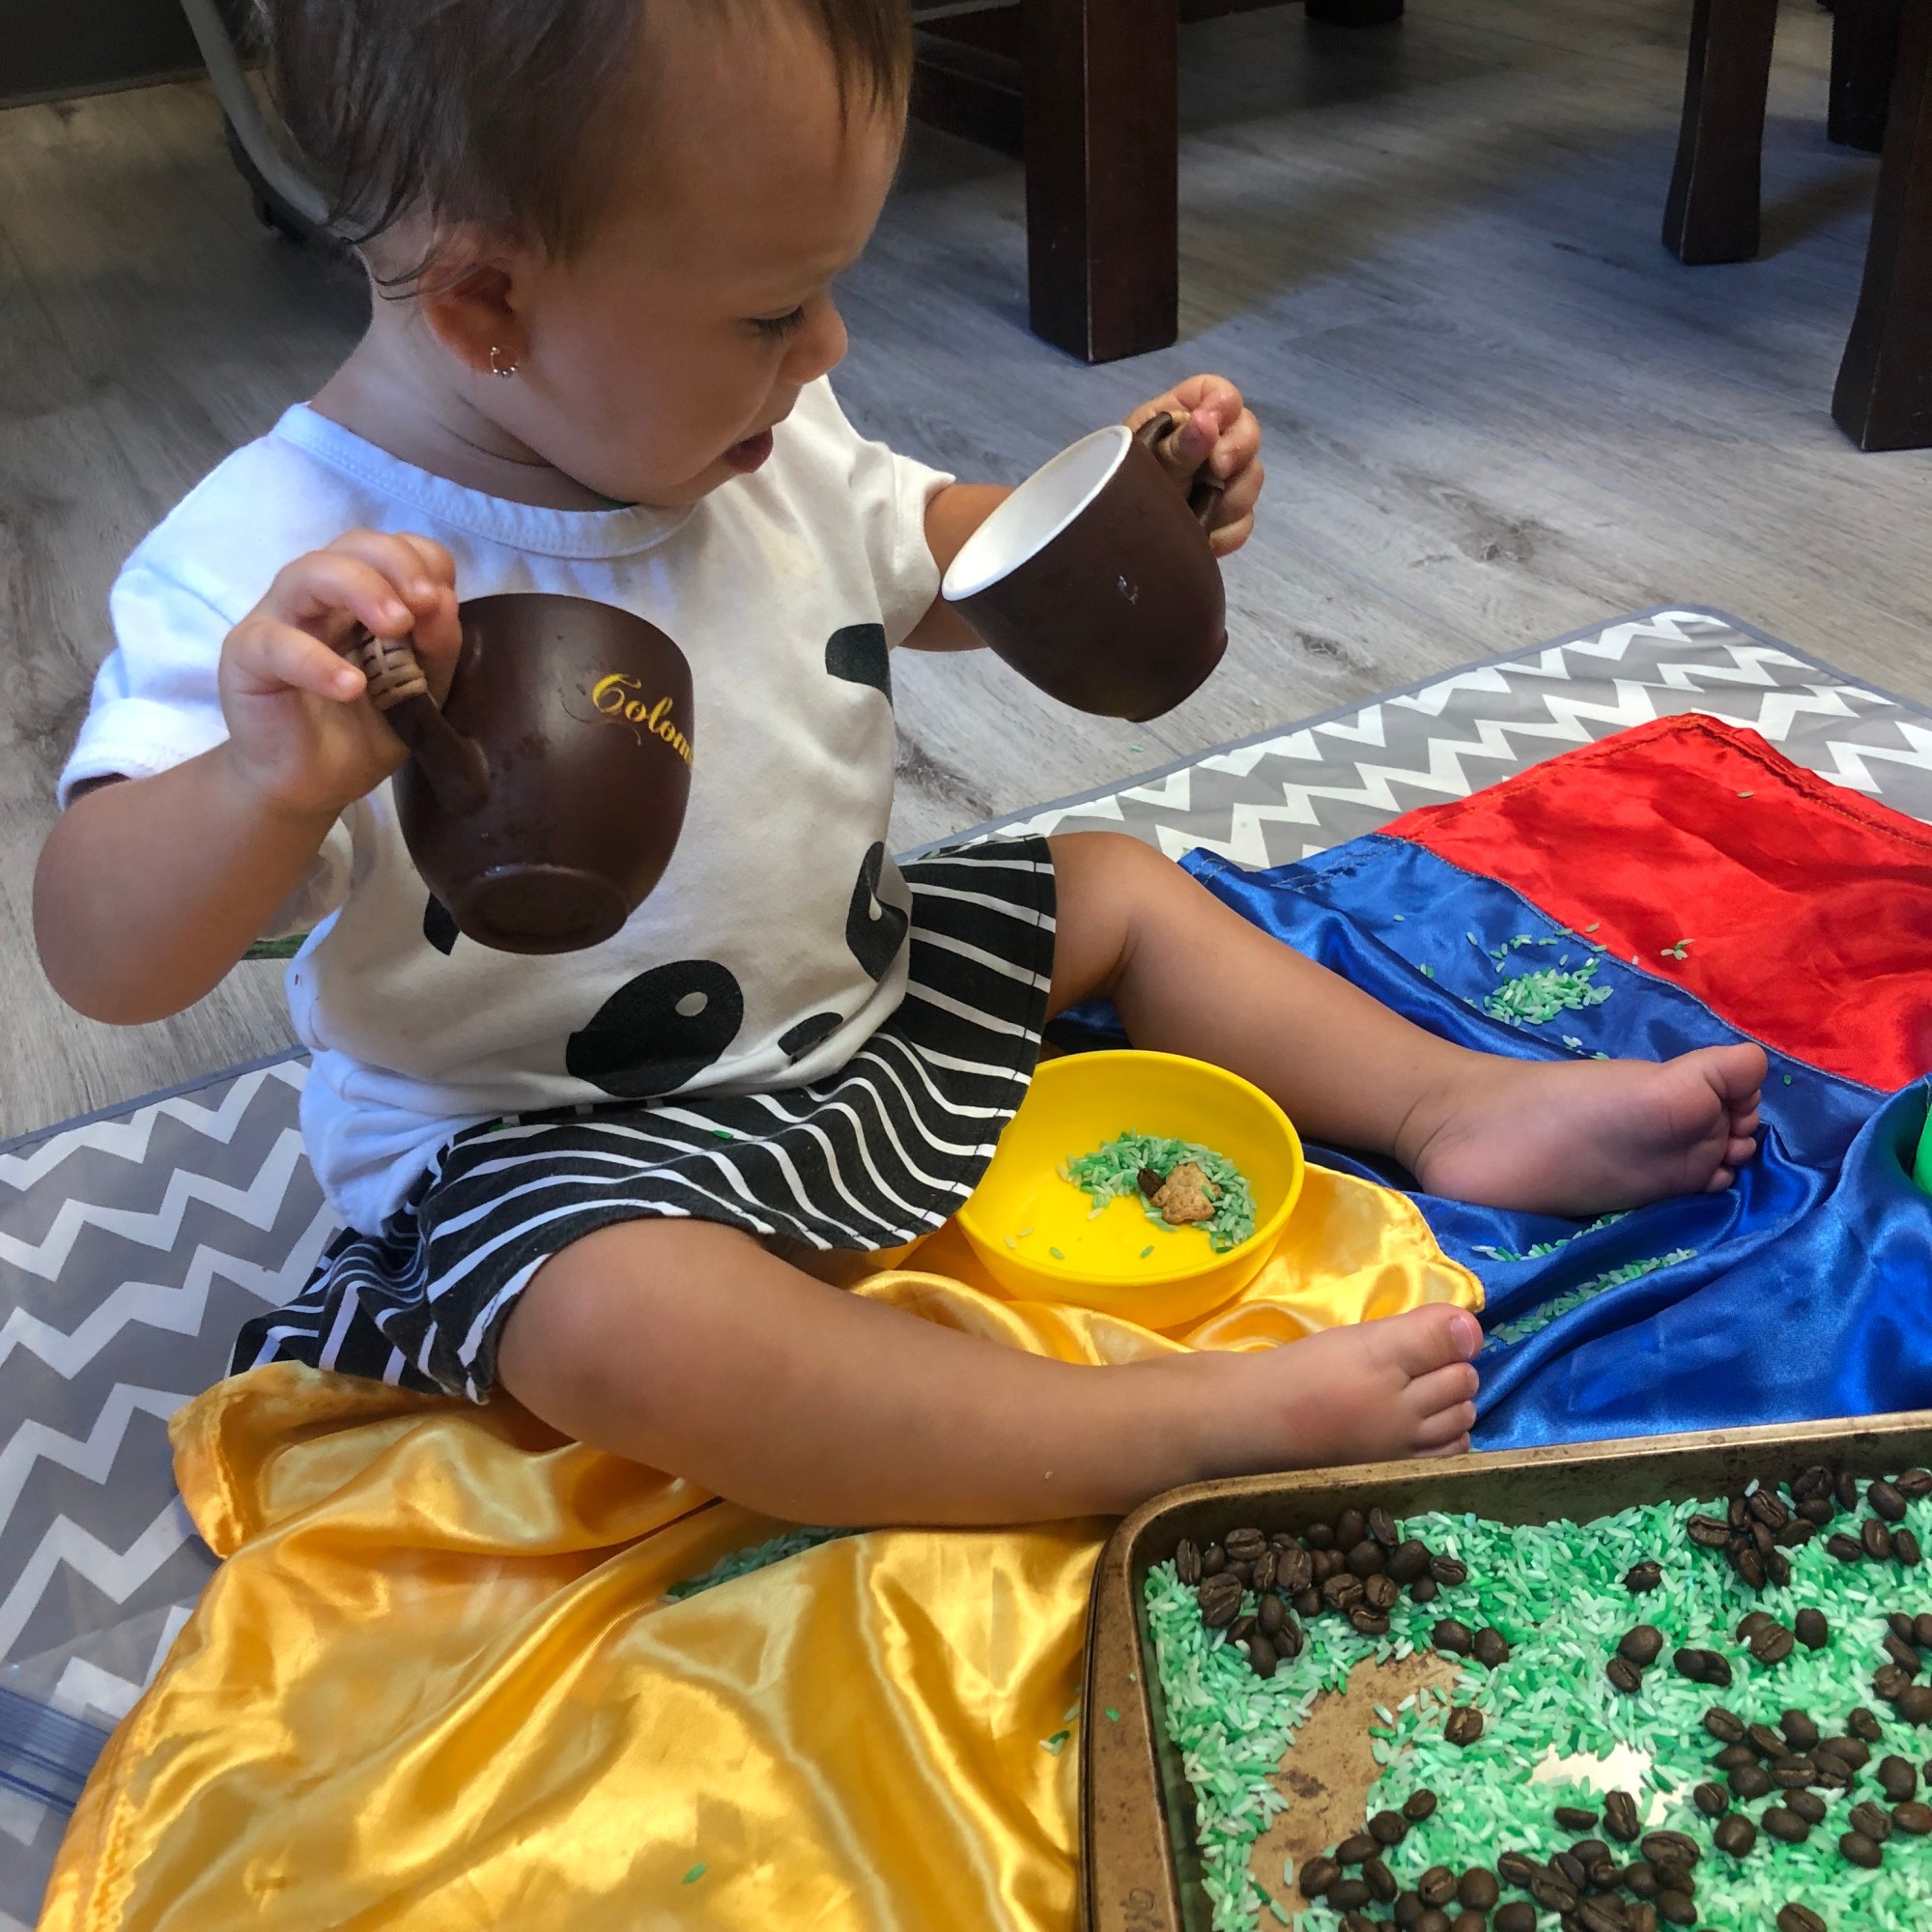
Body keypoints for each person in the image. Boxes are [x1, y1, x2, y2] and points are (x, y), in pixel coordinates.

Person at [34, 0, 1765, 1527]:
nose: (829, 353)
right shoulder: (279, 568)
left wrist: (1121, 506)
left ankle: (1446, 1104)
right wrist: (262, 783)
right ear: (491, 301)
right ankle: (1143, 1434)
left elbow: (933, 562)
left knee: (1111, 886)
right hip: (553, 1146)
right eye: (775, 309)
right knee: (613, 1323)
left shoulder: (763, 432)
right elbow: (105, 957)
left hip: (853, 1007)